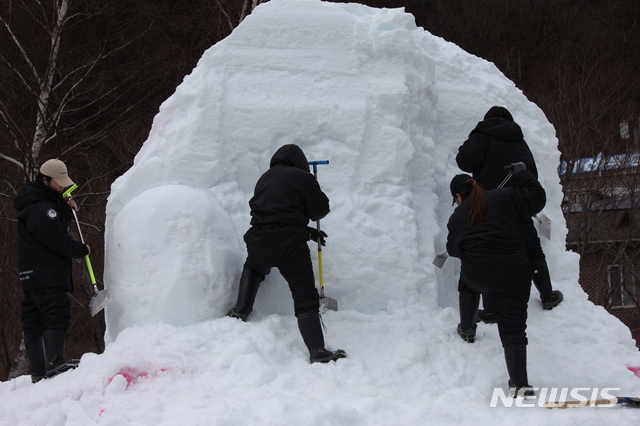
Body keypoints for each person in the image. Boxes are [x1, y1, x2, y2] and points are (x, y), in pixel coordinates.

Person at [226, 144, 346, 364]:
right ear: (300, 162)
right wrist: (313, 189)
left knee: (253, 269)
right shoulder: (302, 177)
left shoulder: (264, 178)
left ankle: (241, 309)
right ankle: (317, 351)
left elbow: (275, 215)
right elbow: (320, 210)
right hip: (289, 247)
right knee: (304, 297)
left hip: (259, 240)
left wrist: (307, 232)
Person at [456, 106, 563, 323]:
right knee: (532, 250)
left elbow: (464, 162)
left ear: (487, 120)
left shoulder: (482, 135)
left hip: (490, 204)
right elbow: (531, 173)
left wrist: (474, 136)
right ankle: (548, 295)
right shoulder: (519, 140)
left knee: (488, 249)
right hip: (518, 203)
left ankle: (491, 310)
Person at [446, 162, 546, 397]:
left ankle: (468, 328)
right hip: (514, 272)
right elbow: (537, 198)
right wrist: (523, 174)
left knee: (466, 282)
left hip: (477, 276)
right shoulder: (507, 196)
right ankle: (520, 384)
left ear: (459, 195)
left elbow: (453, 250)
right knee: (513, 326)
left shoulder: (457, 216)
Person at [14, 159, 90, 383]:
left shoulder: (36, 203)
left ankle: (39, 371)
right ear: (45, 180)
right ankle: (55, 364)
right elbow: (54, 238)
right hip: (46, 271)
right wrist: (80, 249)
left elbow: (49, 225)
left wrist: (65, 210)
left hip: (31, 273)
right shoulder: (42, 207)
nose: (62, 187)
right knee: (56, 310)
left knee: (34, 317)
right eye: (58, 184)